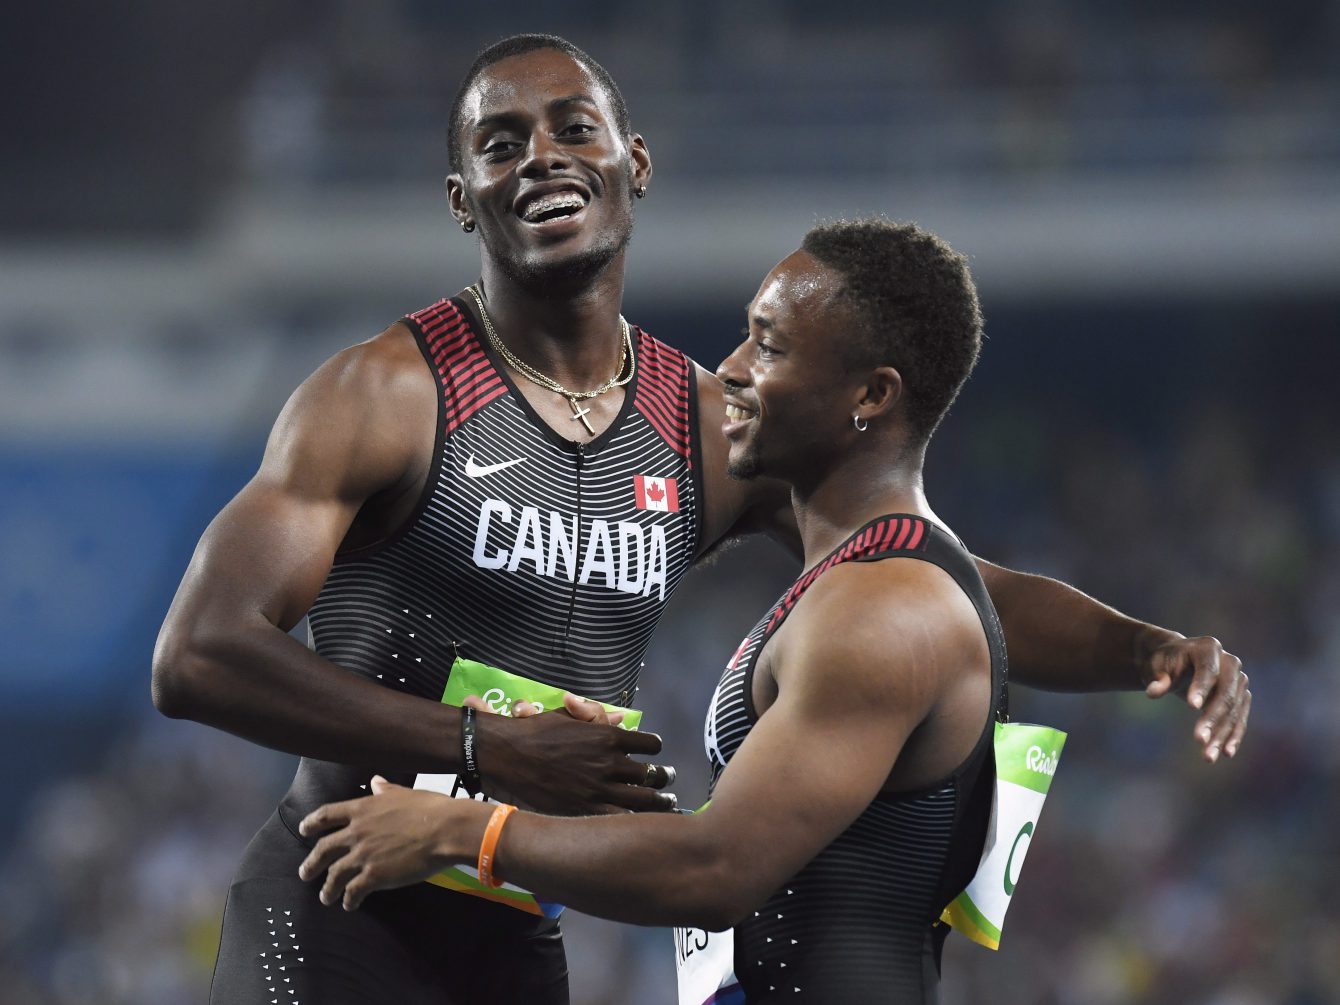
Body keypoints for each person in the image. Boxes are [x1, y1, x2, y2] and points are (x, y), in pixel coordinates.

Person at [152, 34, 1249, 1005]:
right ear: (460, 198)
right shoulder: (384, 394)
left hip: (514, 927)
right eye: (500, 142)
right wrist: (482, 747)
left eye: (572, 127)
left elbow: (942, 581)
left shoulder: (706, 425)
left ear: (633, 165)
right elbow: (198, 655)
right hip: (336, 913)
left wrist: (1145, 649)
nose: (538, 154)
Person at [293, 220, 1106, 1002]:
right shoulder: (861, 583)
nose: (734, 367)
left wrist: (459, 831)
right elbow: (791, 867)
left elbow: (719, 871)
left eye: (771, 345)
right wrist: (603, 798)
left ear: (871, 394)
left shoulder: (885, 608)